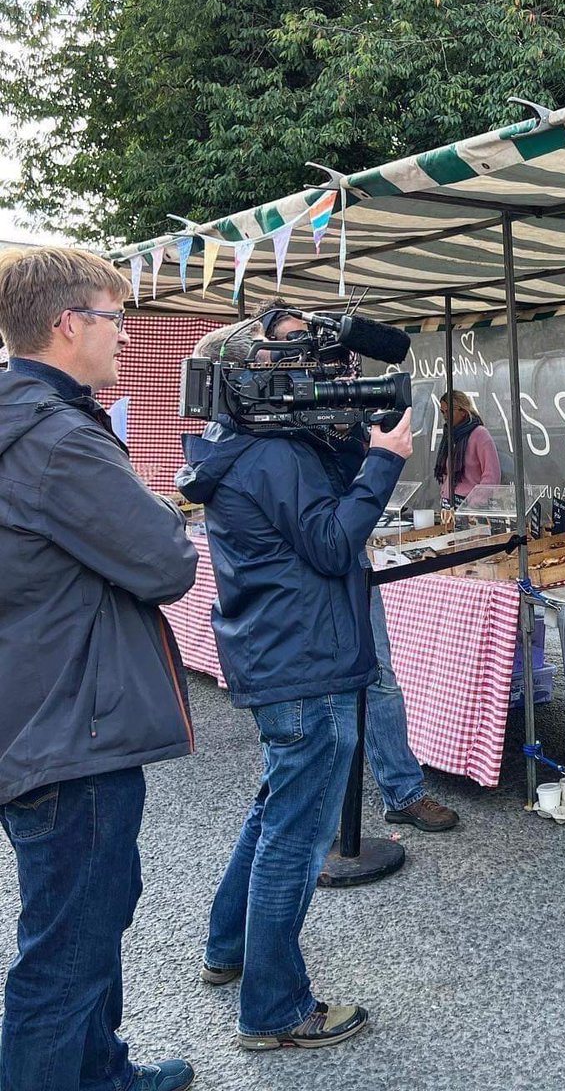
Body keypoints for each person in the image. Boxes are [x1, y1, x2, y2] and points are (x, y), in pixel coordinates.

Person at [176, 320, 414, 1051]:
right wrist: (383, 461)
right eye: (292, 357)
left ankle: (229, 949)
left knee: (274, 809)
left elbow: (314, 514)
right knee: (295, 837)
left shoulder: (239, 445)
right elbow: (334, 539)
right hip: (305, 659)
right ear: (250, 377)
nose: (315, 369)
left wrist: (350, 443)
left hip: (281, 653)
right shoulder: (273, 454)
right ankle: (274, 1010)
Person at [0, 247, 198, 1091]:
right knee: (65, 956)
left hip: (40, 708)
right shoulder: (54, 441)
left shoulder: (26, 421)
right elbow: (166, 563)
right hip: (69, 727)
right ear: (67, 325)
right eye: (117, 318)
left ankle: (102, 1074)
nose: (127, 335)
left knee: (92, 918)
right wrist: (148, 503)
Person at [260, 307, 459, 832]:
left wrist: (365, 439)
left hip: (348, 554)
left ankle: (403, 790)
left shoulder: (336, 407)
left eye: (310, 343)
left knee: (381, 677)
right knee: (306, 699)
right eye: (291, 343)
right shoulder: (262, 429)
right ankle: (312, 816)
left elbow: (351, 492)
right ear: (263, 356)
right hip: (299, 572)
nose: (306, 354)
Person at [436, 389, 501, 513]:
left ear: (463, 411)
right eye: (442, 412)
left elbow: (492, 475)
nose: (445, 416)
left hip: (471, 507)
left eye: (449, 411)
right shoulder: (450, 436)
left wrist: (474, 502)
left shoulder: (480, 434)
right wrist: (444, 493)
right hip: (449, 505)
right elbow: (447, 472)